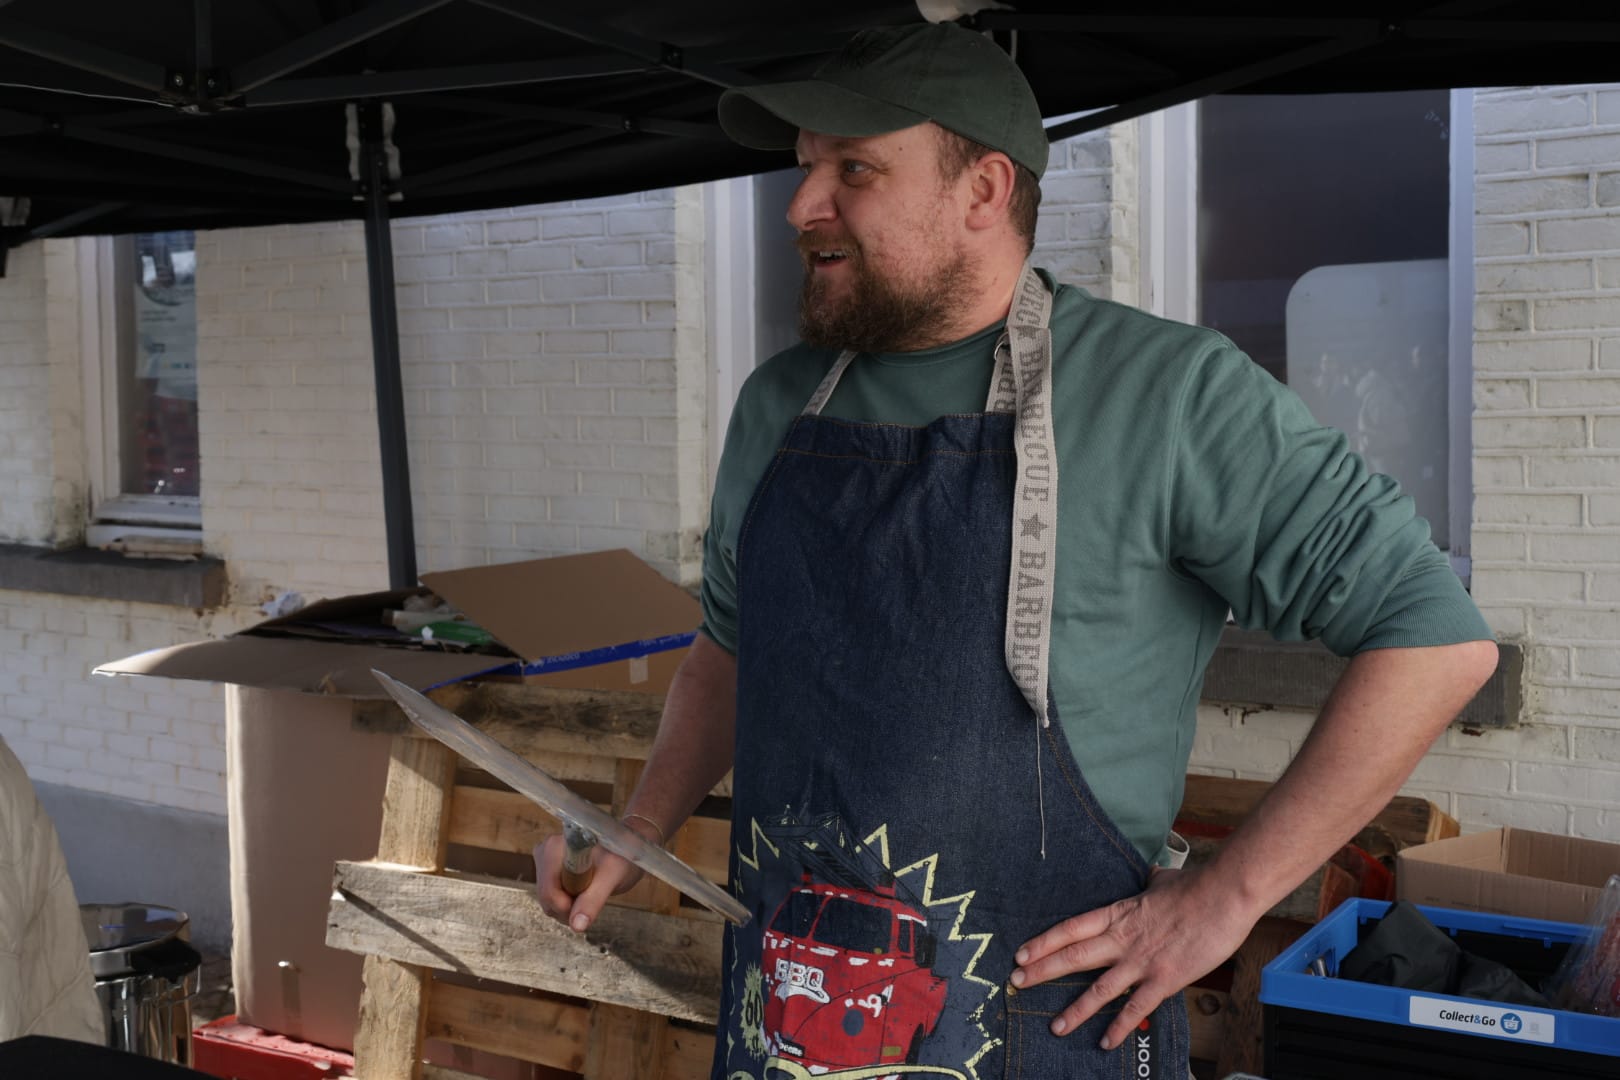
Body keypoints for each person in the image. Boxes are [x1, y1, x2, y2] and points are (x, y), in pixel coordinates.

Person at [536, 21, 1498, 1079]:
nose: (802, 206)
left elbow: (1433, 637)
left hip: (1045, 1037)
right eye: (805, 166)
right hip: (795, 1022)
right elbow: (729, 651)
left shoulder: (1165, 395)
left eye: (853, 169)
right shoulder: (777, 405)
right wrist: (640, 825)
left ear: (984, 191)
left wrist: (1225, 899)